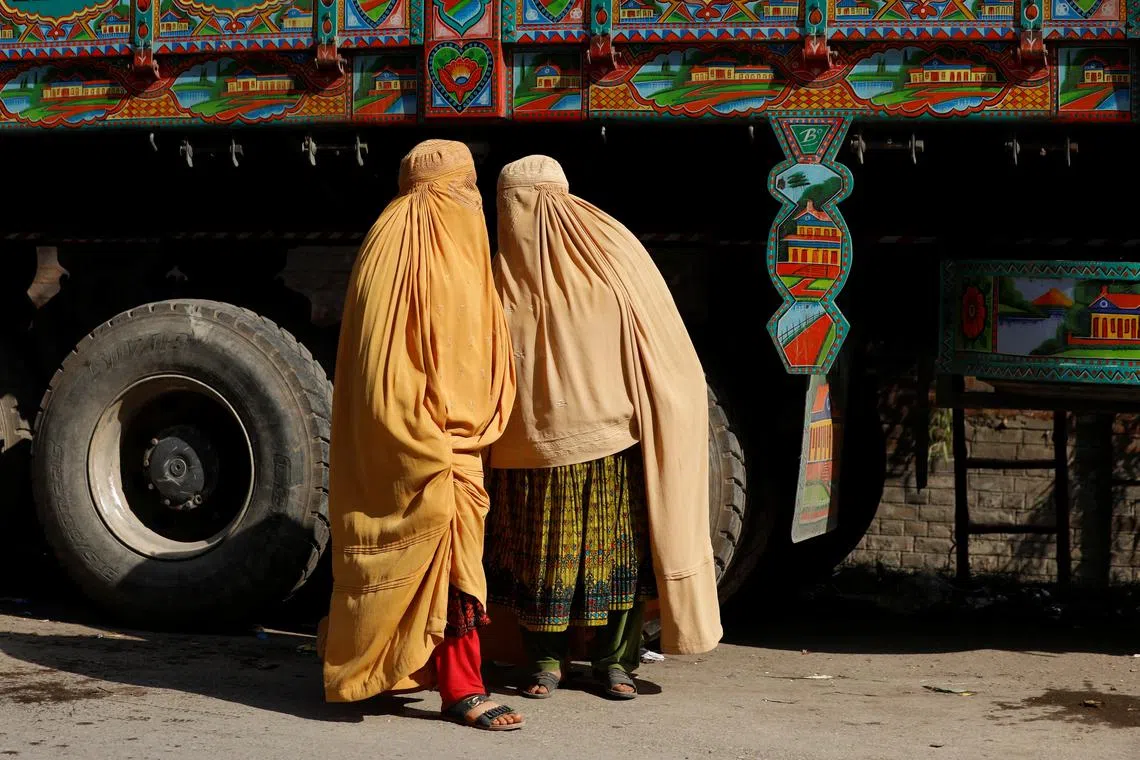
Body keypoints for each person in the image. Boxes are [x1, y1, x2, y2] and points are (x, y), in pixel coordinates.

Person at [485, 155, 722, 701]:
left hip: (610, 443)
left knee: (616, 561)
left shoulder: (611, 252)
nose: (516, 219)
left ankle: (616, 661)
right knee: (536, 562)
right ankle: (545, 661)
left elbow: (659, 343)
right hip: (527, 449)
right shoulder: (496, 273)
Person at [319, 140, 523, 731]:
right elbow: (379, 371)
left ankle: (383, 668)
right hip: (424, 445)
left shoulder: (454, 247)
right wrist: (427, 443)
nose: (468, 202)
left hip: (464, 440)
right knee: (451, 565)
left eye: (472, 190)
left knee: (437, 568)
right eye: (461, 188)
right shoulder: (395, 250)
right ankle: (464, 688)